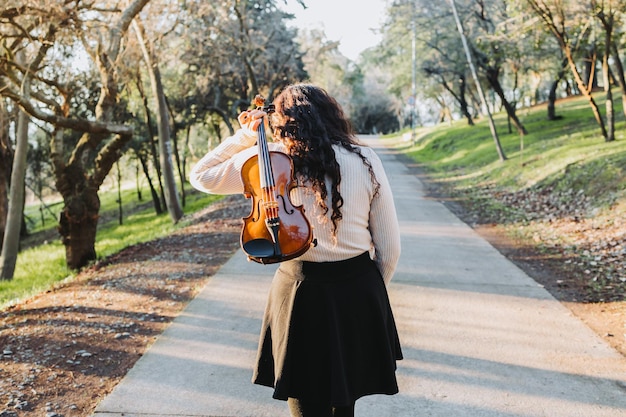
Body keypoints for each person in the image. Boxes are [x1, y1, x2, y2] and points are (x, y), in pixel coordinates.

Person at [189, 84, 402, 417]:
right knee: (345, 403)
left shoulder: (269, 161)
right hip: (358, 289)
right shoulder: (366, 159)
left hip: (299, 293)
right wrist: (366, 292)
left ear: (282, 122)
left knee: (304, 401)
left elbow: (200, 176)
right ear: (331, 116)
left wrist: (245, 136)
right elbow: (389, 251)